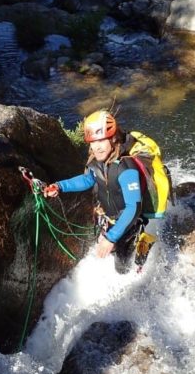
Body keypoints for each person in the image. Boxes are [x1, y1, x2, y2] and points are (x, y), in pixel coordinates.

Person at [43, 110, 147, 273]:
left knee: (122, 268)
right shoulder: (98, 161)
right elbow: (87, 180)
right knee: (110, 250)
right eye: (92, 142)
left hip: (129, 223)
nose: (96, 147)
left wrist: (111, 238)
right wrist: (60, 186)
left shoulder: (127, 169)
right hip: (110, 218)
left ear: (113, 138)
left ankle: (142, 251)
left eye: (102, 141)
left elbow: (133, 207)